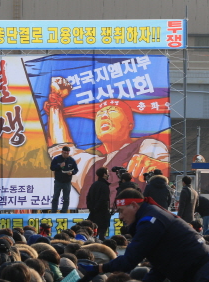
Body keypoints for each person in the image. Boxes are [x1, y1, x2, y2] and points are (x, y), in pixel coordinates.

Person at [78, 189, 209, 282]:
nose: (120, 217)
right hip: (196, 278)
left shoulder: (150, 222)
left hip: (206, 275)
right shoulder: (152, 218)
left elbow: (129, 261)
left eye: (121, 211)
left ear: (133, 206)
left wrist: (98, 269)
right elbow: (162, 264)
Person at [45, 78, 169, 208]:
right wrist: (55, 100)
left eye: (112, 111)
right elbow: (59, 147)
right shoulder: (92, 166)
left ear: (130, 124)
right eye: (100, 114)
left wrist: (156, 165)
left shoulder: (146, 145)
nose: (104, 115)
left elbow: (159, 163)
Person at [50, 145, 79, 213]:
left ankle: (64, 211)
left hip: (67, 182)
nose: (66, 155)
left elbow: (76, 170)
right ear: (62, 152)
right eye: (65, 153)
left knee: (66, 198)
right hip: (58, 181)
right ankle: (54, 211)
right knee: (55, 197)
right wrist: (59, 166)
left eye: (67, 153)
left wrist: (72, 172)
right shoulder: (56, 159)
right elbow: (52, 168)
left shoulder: (71, 160)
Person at [86, 166, 112, 240]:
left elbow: (88, 197)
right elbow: (103, 199)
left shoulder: (94, 184)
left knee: (93, 233)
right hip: (102, 213)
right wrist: (97, 207)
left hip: (93, 213)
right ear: (104, 174)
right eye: (107, 173)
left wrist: (91, 208)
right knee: (102, 234)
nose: (108, 175)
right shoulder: (105, 186)